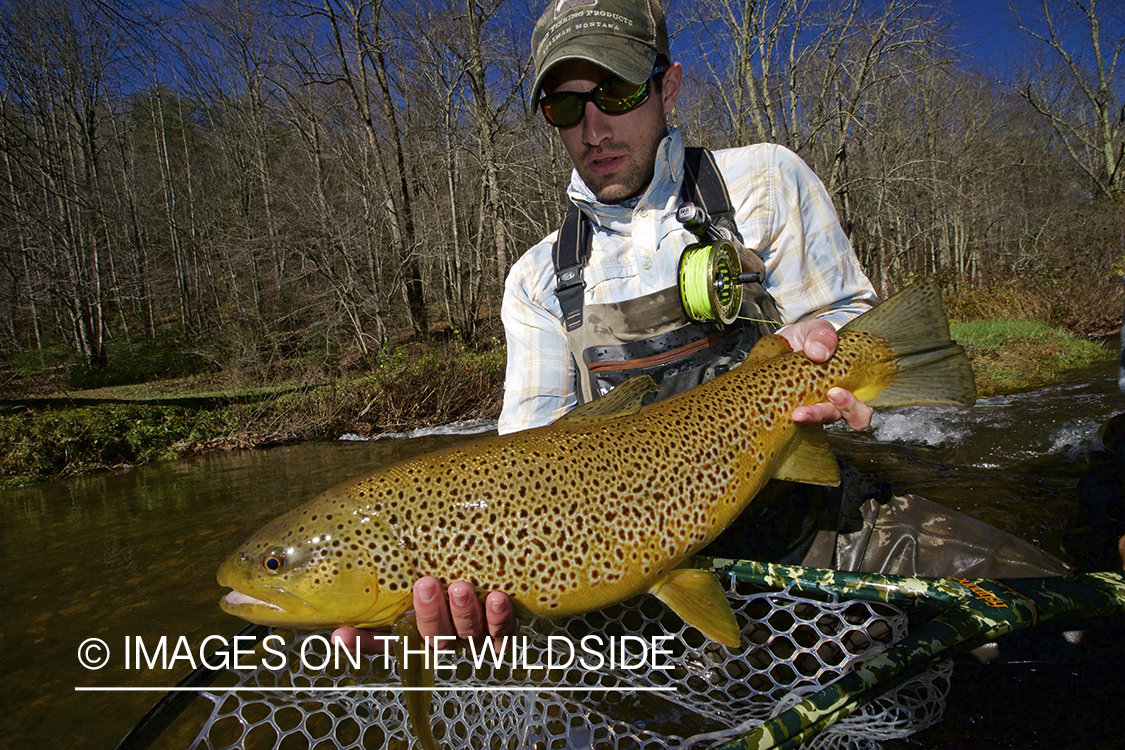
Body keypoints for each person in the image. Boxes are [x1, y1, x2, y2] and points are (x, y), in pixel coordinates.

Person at [334, 0, 1074, 652]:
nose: (594, 128)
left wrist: (832, 359)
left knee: (1059, 622)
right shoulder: (535, 279)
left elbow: (840, 315)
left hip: (810, 526)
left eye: (617, 92)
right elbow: (524, 458)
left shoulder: (761, 181)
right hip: (633, 583)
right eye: (564, 107)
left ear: (668, 85)